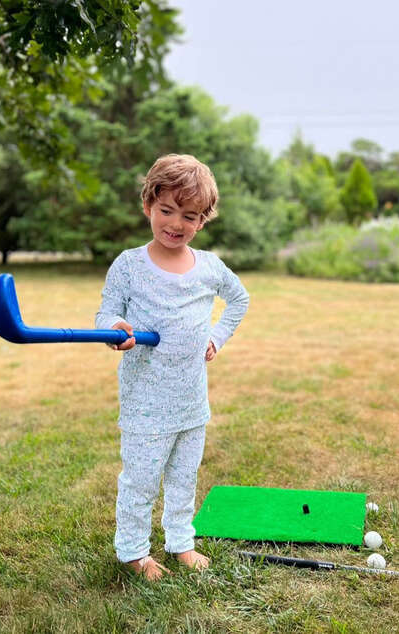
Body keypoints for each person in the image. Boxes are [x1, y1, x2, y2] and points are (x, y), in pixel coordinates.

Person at [95, 154, 249, 580]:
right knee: (141, 482)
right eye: (166, 210)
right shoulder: (129, 265)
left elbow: (239, 299)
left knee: (184, 479)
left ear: (202, 220)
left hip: (191, 402)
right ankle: (132, 551)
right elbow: (105, 314)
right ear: (148, 205)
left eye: (190, 216)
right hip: (146, 404)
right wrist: (114, 329)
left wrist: (216, 337)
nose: (176, 223)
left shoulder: (209, 268)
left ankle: (181, 541)